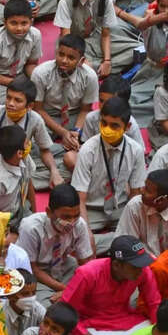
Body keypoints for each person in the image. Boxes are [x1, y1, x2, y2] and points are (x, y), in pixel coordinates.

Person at [62, 235, 162, 335]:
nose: (140, 269)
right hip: (92, 325)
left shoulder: (143, 270)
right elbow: (64, 312)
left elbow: (154, 304)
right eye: (135, 266)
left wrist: (160, 332)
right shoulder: (87, 274)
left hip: (128, 320)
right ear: (116, 265)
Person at [71, 97, 145, 246]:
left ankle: (111, 244)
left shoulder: (135, 150)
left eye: (114, 126)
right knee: (76, 239)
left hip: (120, 207)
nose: (107, 129)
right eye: (104, 123)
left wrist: (132, 225)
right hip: (92, 209)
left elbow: (135, 194)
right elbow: (80, 198)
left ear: (127, 126)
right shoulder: (88, 149)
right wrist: (87, 235)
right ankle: (114, 243)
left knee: (140, 239)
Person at [30, 34, 98, 183]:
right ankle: (74, 163)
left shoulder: (89, 76)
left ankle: (58, 164)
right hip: (47, 115)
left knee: (97, 135)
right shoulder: (41, 73)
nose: (64, 61)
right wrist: (63, 132)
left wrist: (76, 132)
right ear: (56, 52)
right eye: (61, 54)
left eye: (71, 58)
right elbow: (38, 109)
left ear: (80, 61)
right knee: (30, 143)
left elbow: (86, 109)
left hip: (74, 115)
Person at [16, 184, 94, 304]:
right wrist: (68, 289)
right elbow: (32, 269)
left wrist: (72, 289)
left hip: (63, 266)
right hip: (37, 275)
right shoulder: (31, 228)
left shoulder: (79, 225)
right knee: (49, 311)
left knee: (93, 294)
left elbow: (86, 265)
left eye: (76, 215)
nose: (72, 222)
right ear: (49, 212)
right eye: (66, 217)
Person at [54, 0, 132, 77]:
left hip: (96, 39)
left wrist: (107, 61)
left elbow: (105, 35)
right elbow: (67, 39)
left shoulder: (105, 0)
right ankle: (90, 69)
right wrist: (82, 59)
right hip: (73, 44)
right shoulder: (65, 2)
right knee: (82, 67)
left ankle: (97, 68)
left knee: (133, 51)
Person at [115, 170, 168, 256]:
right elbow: (124, 242)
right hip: (142, 262)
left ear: (161, 200)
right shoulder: (135, 205)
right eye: (144, 185)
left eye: (147, 190)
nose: (141, 190)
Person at [0, 0, 42, 106]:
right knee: (12, 105)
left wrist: (37, 80)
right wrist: (16, 84)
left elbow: (31, 63)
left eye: (24, 23)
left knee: (43, 97)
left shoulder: (35, 35)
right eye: (14, 23)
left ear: (31, 21)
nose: (19, 28)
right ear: (4, 22)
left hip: (21, 77)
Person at [0, 126, 35, 225]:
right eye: (26, 142)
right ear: (19, 153)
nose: (29, 144)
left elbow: (29, 183)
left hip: (21, 209)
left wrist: (35, 214)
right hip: (3, 221)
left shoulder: (25, 158)